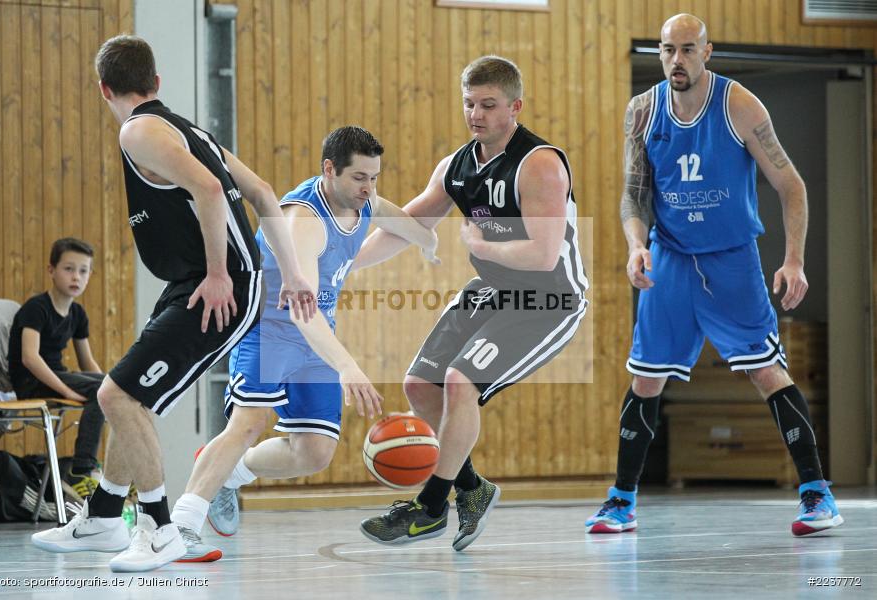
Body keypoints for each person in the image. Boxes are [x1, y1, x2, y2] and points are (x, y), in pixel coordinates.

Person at [30, 35, 315, 573]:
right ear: (156, 83)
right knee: (125, 391)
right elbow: (262, 191)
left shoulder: (137, 129)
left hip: (215, 284)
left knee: (117, 397)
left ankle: (160, 529)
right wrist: (293, 273)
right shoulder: (189, 130)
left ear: (103, 89)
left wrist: (216, 273)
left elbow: (210, 192)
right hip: (203, 281)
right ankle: (104, 515)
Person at [584, 14, 842, 537]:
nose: (676, 60)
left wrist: (793, 260)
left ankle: (817, 495)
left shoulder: (740, 105)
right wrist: (637, 245)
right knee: (644, 378)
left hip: (731, 258)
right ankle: (621, 501)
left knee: (766, 371)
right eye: (666, 50)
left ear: (707, 51)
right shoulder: (641, 111)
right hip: (672, 258)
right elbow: (635, 193)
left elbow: (791, 185)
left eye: (686, 49)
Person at [167, 126, 440, 562]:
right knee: (249, 422)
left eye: (374, 177)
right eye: (359, 178)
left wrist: (426, 239)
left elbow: (388, 216)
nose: (368, 188)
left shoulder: (360, 201)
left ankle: (229, 472)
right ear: (329, 170)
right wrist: (349, 366)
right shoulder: (303, 222)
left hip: (316, 340)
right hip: (269, 330)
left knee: (314, 452)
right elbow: (302, 310)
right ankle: (180, 526)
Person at [356, 56, 589, 550]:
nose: (476, 114)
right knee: (421, 384)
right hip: (492, 289)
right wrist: (342, 266)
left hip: (548, 298)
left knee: (462, 382)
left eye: (488, 104)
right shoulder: (456, 166)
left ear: (514, 107)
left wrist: (482, 247)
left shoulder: (540, 163)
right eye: (469, 103)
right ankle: (472, 489)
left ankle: (431, 507)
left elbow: (543, 255)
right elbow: (410, 225)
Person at [8, 237, 106, 500]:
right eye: (69, 269)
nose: (76, 277)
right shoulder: (36, 308)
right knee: (101, 388)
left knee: (109, 386)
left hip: (56, 377)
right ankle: (81, 468)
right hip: (31, 382)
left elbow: (88, 364)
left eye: (83, 271)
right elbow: (29, 358)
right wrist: (66, 391)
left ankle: (98, 468)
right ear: (51, 271)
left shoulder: (77, 314)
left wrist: (112, 387)